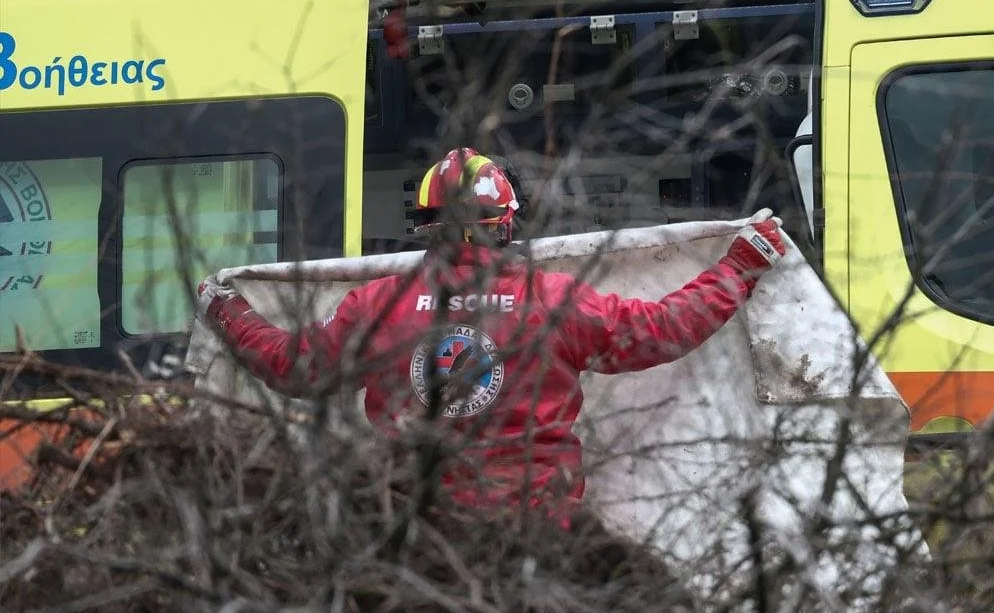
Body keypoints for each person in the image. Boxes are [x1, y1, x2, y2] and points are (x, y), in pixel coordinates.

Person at [196, 145, 785, 518]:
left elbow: (293, 368)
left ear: (426, 225)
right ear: (507, 222)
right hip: (539, 536)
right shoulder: (553, 302)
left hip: (419, 536)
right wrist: (741, 263)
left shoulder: (378, 306)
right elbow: (663, 330)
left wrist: (227, 312)